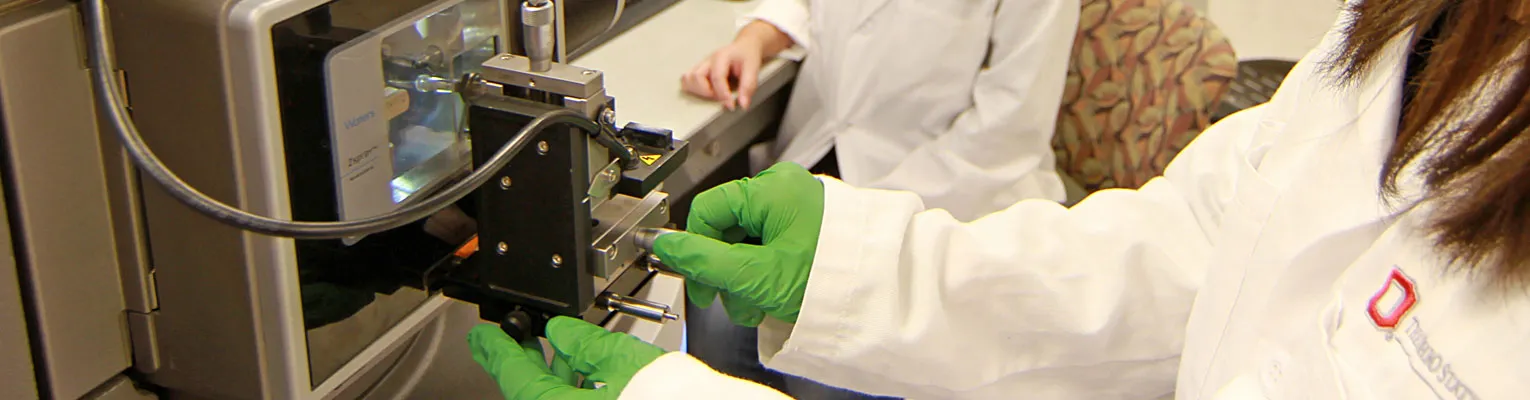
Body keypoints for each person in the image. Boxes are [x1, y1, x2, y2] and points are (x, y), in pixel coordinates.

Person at [470, 0, 1530, 398]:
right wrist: (851, 263)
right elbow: (1194, 245)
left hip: (965, 186)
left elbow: (1000, 136)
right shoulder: (1425, 34)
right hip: (870, 187)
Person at [680, 0, 1079, 221]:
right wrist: (757, 37)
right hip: (823, 154)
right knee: (719, 312)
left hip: (954, 197)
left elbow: (1009, 128)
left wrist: (851, 221)